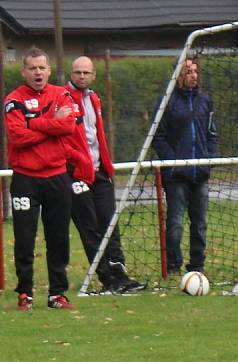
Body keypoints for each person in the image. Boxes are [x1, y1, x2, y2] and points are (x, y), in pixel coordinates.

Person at [64, 56, 146, 294]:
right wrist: (76, 161)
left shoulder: (94, 98)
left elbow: (96, 135)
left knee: (110, 223)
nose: (81, 76)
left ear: (93, 75)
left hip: (99, 171)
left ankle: (120, 274)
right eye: (77, 72)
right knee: (89, 227)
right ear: (71, 73)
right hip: (77, 174)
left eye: (85, 72)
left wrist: (106, 167)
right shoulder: (63, 99)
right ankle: (105, 278)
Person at [4, 48, 77, 310]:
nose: (37, 72)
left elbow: (68, 126)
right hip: (26, 178)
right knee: (24, 237)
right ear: (24, 72)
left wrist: (33, 123)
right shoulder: (13, 100)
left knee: (58, 237)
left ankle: (57, 294)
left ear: (48, 70)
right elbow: (18, 138)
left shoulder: (62, 94)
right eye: (32, 68)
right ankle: (25, 293)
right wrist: (49, 123)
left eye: (41, 68)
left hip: (57, 176)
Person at [152, 57, 217, 275]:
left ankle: (197, 265)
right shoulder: (166, 101)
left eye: (195, 71)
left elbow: (212, 132)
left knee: (200, 223)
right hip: (176, 175)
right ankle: (173, 266)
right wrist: (173, 162)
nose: (193, 75)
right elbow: (157, 137)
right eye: (188, 71)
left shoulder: (205, 100)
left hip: (201, 172)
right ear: (178, 75)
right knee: (175, 223)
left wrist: (208, 157)